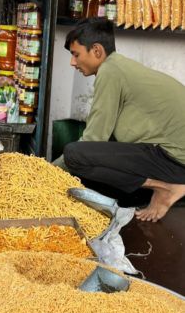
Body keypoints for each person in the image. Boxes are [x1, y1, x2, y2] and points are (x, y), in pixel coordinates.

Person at [56, 18, 185, 222]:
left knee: (74, 155)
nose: (73, 63)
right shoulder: (119, 67)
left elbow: (92, 139)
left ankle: (167, 188)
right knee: (103, 181)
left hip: (174, 162)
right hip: (171, 159)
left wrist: (48, 172)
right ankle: (160, 188)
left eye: (76, 54)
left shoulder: (110, 71)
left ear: (97, 51)